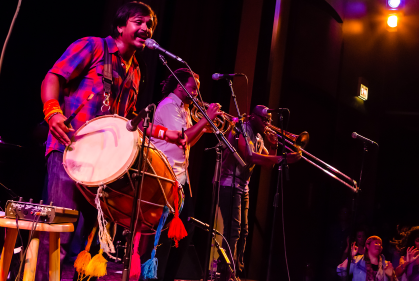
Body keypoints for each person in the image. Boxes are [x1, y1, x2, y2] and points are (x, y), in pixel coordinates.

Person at [38, 2, 185, 280]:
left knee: (89, 242)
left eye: (150, 25)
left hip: (103, 167)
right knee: (59, 234)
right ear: (120, 26)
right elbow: (53, 76)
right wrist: (53, 112)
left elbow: (129, 119)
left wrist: (168, 134)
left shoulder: (136, 70)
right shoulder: (92, 46)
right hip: (68, 152)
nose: (146, 29)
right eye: (139, 22)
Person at [149, 67, 222, 281]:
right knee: (164, 235)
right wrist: (205, 121)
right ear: (180, 87)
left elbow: (187, 144)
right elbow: (182, 137)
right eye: (193, 89)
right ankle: (156, 276)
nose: (197, 94)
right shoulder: (170, 106)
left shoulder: (183, 108)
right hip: (165, 176)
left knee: (185, 229)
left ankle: (167, 276)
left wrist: (202, 127)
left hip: (180, 178)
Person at [217, 105, 302, 280]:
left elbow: (268, 163)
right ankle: (226, 271)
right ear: (253, 117)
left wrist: (274, 147)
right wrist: (282, 158)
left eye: (269, 120)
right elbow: (249, 157)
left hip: (243, 186)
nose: (267, 123)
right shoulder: (242, 128)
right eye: (264, 119)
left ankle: (236, 271)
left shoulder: (258, 137)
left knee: (244, 231)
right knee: (233, 230)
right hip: (228, 184)